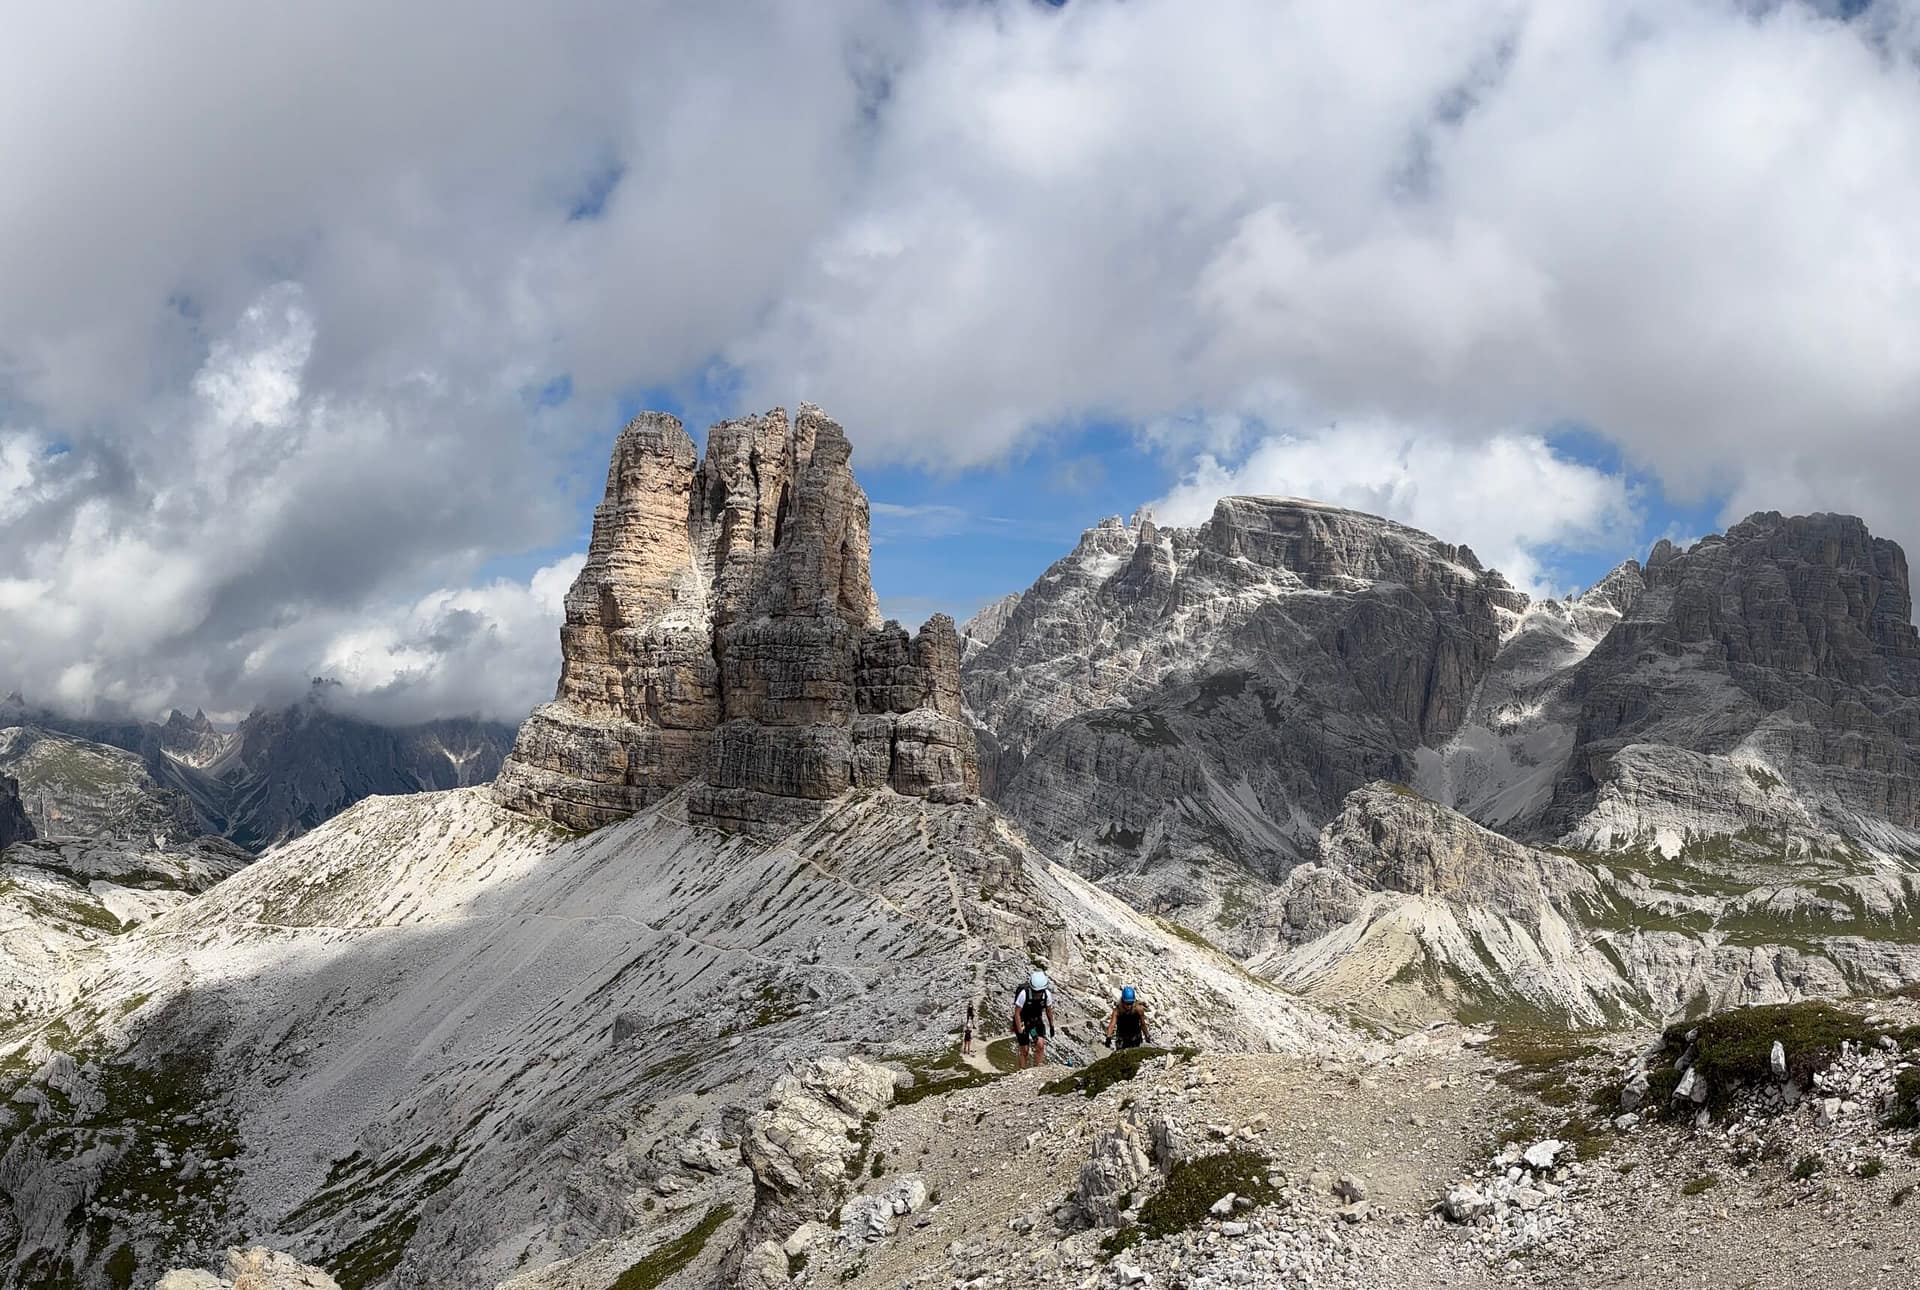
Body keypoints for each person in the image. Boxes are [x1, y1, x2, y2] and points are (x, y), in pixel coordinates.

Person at [1011, 969, 1054, 1069]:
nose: (1037, 994)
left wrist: (1051, 1025)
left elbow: (1049, 1011)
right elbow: (1017, 1013)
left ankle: (1037, 1069)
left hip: (1035, 1021)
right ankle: (1022, 1071)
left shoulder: (1047, 995)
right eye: (1035, 992)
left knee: (1040, 1044)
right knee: (1025, 1049)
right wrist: (1020, 1031)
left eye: (1039, 992)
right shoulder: (1023, 994)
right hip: (1022, 1020)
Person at [1106, 985, 1151, 1050]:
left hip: (1135, 1037)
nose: (1129, 1006)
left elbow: (1143, 1024)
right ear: (1122, 1001)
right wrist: (1108, 1038)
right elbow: (1112, 1025)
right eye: (1127, 1003)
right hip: (1122, 1037)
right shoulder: (1117, 1011)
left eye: (1131, 1003)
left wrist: (1147, 1036)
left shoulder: (1139, 1009)